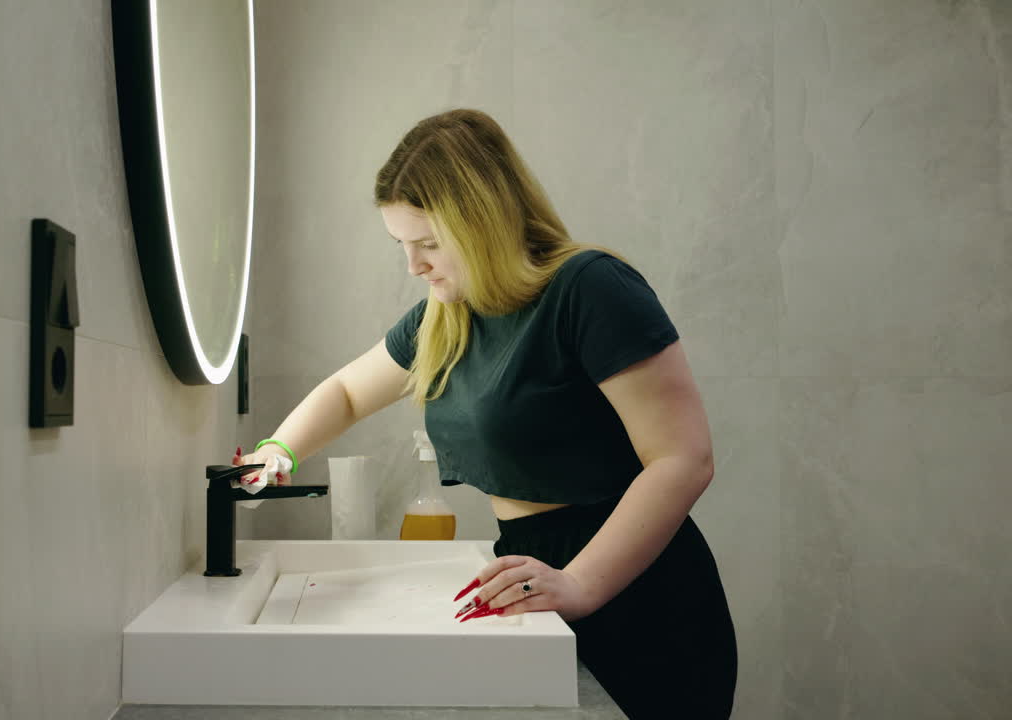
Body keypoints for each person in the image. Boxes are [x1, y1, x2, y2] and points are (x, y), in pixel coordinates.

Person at [231, 108, 737, 718]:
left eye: (428, 244)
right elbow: (346, 392)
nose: (414, 267)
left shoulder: (590, 288)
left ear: (482, 223)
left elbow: (684, 460)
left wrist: (578, 583)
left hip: (640, 594)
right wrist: (279, 451)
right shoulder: (447, 317)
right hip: (531, 568)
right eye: (403, 246)